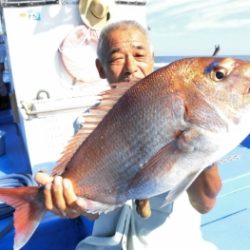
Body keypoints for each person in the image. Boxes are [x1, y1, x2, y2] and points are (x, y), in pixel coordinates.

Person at [35, 20, 222, 249]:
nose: (130, 66)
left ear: (153, 58)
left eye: (139, 55)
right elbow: (92, 214)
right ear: (100, 68)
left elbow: (205, 204)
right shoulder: (87, 123)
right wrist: (69, 203)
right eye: (116, 58)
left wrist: (204, 149)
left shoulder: (184, 114)